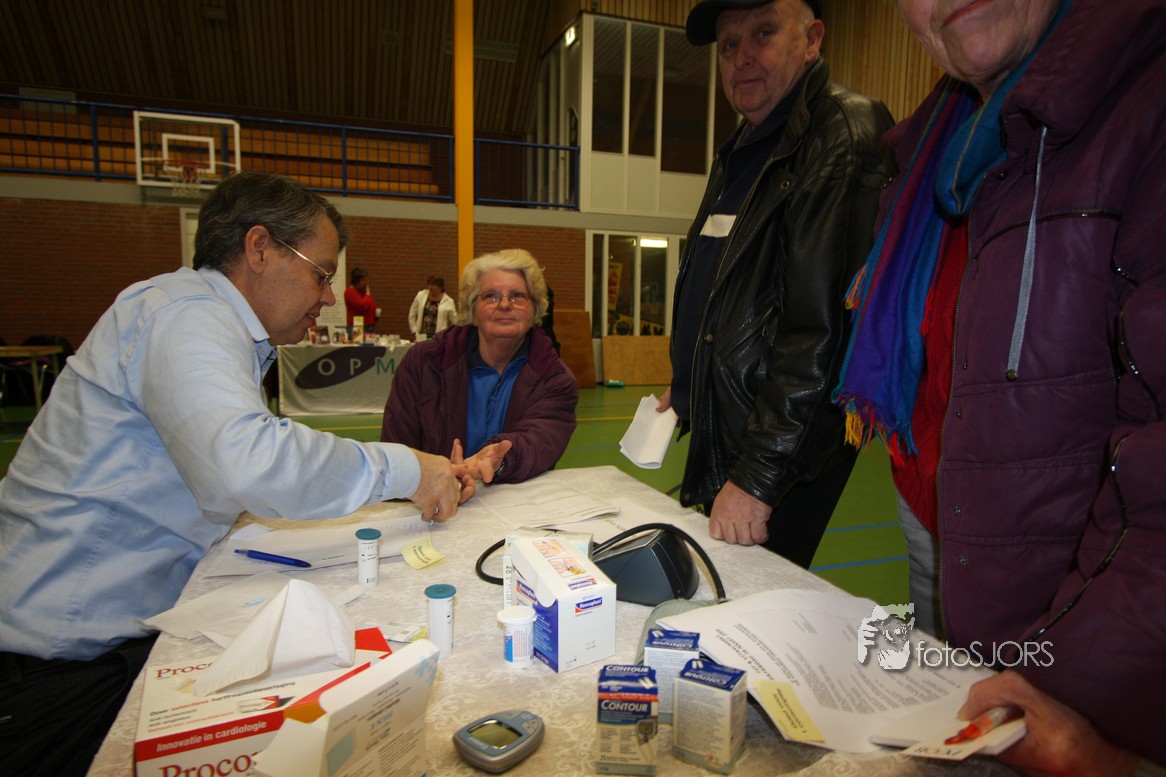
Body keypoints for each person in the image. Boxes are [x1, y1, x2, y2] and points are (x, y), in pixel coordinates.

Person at [0, 171, 468, 777]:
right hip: (57, 665)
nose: (328, 297)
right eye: (321, 274)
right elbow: (247, 461)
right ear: (259, 248)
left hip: (92, 641)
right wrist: (408, 468)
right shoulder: (184, 316)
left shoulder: (207, 322)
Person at [833, 0, 1166, 769]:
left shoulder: (1138, 98)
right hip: (946, 516)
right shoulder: (940, 150)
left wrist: (1082, 692)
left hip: (1082, 635)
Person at [657, 0, 896, 567]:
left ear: (811, 40)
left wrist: (758, 476)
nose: (742, 57)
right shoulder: (745, 146)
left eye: (763, 33)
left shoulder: (842, 134)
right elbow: (735, 286)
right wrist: (692, 377)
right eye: (729, 45)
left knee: (751, 600)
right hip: (736, 422)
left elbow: (824, 333)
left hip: (783, 447)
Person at [383, 249, 578, 485]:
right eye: (491, 296)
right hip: (428, 498)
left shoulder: (555, 380)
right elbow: (396, 451)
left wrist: (500, 460)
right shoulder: (423, 363)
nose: (504, 305)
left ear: (534, 310)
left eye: (517, 296)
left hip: (513, 501)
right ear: (473, 311)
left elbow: (538, 442)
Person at [408, 275, 457, 340]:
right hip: (421, 335)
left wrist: (451, 335)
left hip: (439, 338)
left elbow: (455, 321)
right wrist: (414, 330)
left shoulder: (449, 301)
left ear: (440, 287)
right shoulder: (421, 295)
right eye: (429, 285)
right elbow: (412, 314)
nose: (430, 287)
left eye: (433, 285)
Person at [344, 266, 377, 330]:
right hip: (357, 328)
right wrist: (368, 294)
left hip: (369, 326)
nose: (367, 283)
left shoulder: (363, 292)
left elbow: (371, 305)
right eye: (364, 280)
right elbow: (362, 306)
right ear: (356, 281)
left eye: (367, 280)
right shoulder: (350, 292)